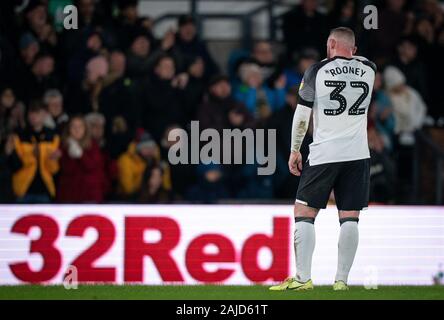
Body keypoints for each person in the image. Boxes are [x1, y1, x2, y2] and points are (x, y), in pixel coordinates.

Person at [269, 27, 376, 291]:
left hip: (325, 153)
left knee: (304, 213)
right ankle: (341, 281)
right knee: (350, 217)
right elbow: (361, 60)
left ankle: (303, 278)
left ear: (330, 43)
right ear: (354, 48)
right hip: (358, 154)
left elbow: (302, 114)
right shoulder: (370, 69)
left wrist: (295, 149)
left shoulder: (316, 71)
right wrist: (352, 55)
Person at [10, 101, 61, 203]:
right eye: (31, 113)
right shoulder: (19, 135)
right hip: (23, 189)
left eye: (38, 113)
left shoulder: (53, 136)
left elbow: (54, 170)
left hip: (45, 189)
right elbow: (15, 165)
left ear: (45, 115)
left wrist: (52, 159)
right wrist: (32, 155)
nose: (34, 116)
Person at [57, 115, 106, 203]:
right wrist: (70, 149)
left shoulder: (93, 146)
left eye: (80, 126)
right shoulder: (64, 146)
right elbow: (66, 169)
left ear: (85, 129)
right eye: (73, 126)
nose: (77, 130)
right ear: (68, 129)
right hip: (69, 196)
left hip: (89, 195)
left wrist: (81, 155)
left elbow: (92, 166)